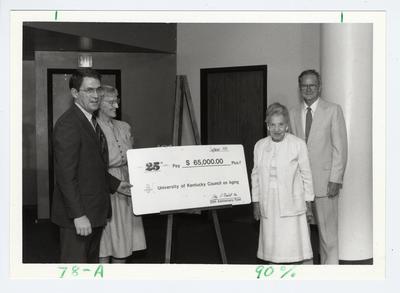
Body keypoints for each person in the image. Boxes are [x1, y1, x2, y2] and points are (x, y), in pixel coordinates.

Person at [51, 68, 132, 263]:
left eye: (98, 90)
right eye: (89, 90)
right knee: (76, 270)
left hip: (94, 213)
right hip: (78, 217)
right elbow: (66, 176)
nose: (95, 96)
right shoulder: (68, 124)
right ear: (75, 93)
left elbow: (92, 166)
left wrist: (115, 184)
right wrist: (78, 215)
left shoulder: (90, 121)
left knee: (90, 268)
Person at [289, 69, 348, 264]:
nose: (308, 89)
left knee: (327, 235)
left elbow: (340, 148)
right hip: (298, 184)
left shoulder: (333, 110)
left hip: (325, 183)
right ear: (299, 88)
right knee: (301, 234)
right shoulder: (292, 113)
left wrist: (335, 179)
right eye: (304, 85)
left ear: (319, 87)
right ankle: (307, 273)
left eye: (312, 85)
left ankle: (329, 276)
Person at [251, 102, 315, 264]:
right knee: (273, 246)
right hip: (269, 202)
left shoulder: (298, 144)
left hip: (292, 201)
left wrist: (309, 204)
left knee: (294, 245)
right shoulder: (260, 145)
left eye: (280, 124)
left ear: (286, 126)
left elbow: (306, 175)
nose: (276, 129)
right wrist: (256, 203)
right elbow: (256, 175)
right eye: (272, 125)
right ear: (267, 126)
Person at [96, 85, 146, 263]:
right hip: (103, 185)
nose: (116, 105)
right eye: (111, 101)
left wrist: (159, 156)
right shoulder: (92, 127)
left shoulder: (125, 127)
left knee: (123, 241)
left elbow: (132, 157)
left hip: (126, 183)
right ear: (99, 102)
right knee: (104, 241)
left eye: (117, 100)